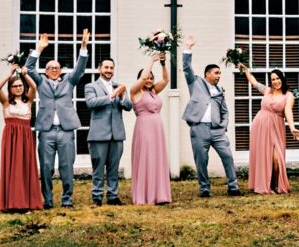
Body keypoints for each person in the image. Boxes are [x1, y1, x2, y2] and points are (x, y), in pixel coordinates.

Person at [25, 29, 90, 208]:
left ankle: (67, 199)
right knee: (46, 168)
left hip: (66, 130)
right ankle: (47, 200)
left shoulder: (69, 81)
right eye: (50, 68)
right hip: (46, 131)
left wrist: (83, 47)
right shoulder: (41, 82)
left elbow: (80, 69)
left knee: (66, 167)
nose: (54, 69)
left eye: (57, 67)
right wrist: (39, 49)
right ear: (45, 71)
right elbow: (29, 68)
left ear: (61, 71)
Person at [182, 35, 242, 197]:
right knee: (201, 161)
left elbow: (225, 111)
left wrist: (223, 125)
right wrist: (188, 48)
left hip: (217, 131)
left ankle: (233, 186)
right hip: (199, 129)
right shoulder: (195, 83)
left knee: (227, 156)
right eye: (216, 73)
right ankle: (204, 189)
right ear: (207, 74)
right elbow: (186, 67)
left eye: (220, 73)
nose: (219, 76)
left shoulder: (219, 91)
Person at [240, 65, 299, 194]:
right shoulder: (267, 91)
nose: (275, 81)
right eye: (273, 79)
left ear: (282, 79)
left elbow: (288, 111)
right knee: (263, 156)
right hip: (260, 126)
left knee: (277, 159)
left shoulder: (288, 95)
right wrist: (245, 69)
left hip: (276, 127)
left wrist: (292, 127)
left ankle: (276, 184)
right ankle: (267, 186)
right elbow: (253, 81)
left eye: (277, 78)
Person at [0, 64, 43, 212]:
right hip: (11, 137)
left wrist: (24, 74)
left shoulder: (28, 100)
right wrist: (10, 74)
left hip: (25, 137)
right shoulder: (6, 102)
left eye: (20, 85)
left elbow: (34, 86)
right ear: (10, 88)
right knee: (12, 168)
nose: (19, 88)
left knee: (25, 168)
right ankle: (12, 203)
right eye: (15, 86)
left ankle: (26, 202)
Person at [84, 57, 132, 206]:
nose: (109, 70)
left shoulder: (119, 86)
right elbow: (91, 103)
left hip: (116, 134)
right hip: (98, 134)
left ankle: (113, 197)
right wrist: (111, 95)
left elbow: (128, 106)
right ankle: (97, 197)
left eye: (111, 68)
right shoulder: (91, 86)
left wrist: (123, 96)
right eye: (106, 67)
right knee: (98, 168)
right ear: (99, 69)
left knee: (114, 167)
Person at [129, 53, 172, 205]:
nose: (149, 80)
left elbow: (166, 79)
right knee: (146, 158)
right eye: (146, 77)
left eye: (151, 78)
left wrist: (162, 64)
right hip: (144, 129)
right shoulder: (135, 92)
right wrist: (151, 61)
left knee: (157, 158)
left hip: (157, 129)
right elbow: (142, 79)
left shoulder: (153, 91)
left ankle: (159, 195)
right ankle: (144, 195)